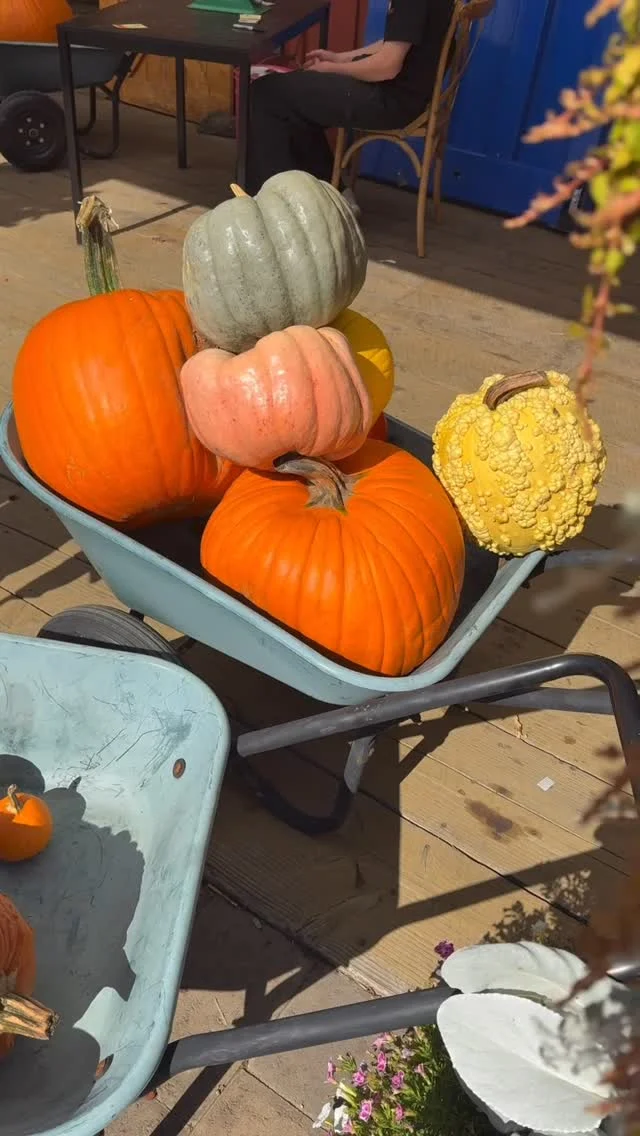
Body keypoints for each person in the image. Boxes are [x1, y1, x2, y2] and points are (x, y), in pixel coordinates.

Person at [245, 0, 455, 199]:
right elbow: (394, 42)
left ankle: (272, 201)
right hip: (404, 95)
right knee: (296, 92)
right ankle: (330, 192)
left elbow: (387, 66)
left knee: (267, 92)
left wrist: (334, 69)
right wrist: (341, 58)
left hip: (391, 101)